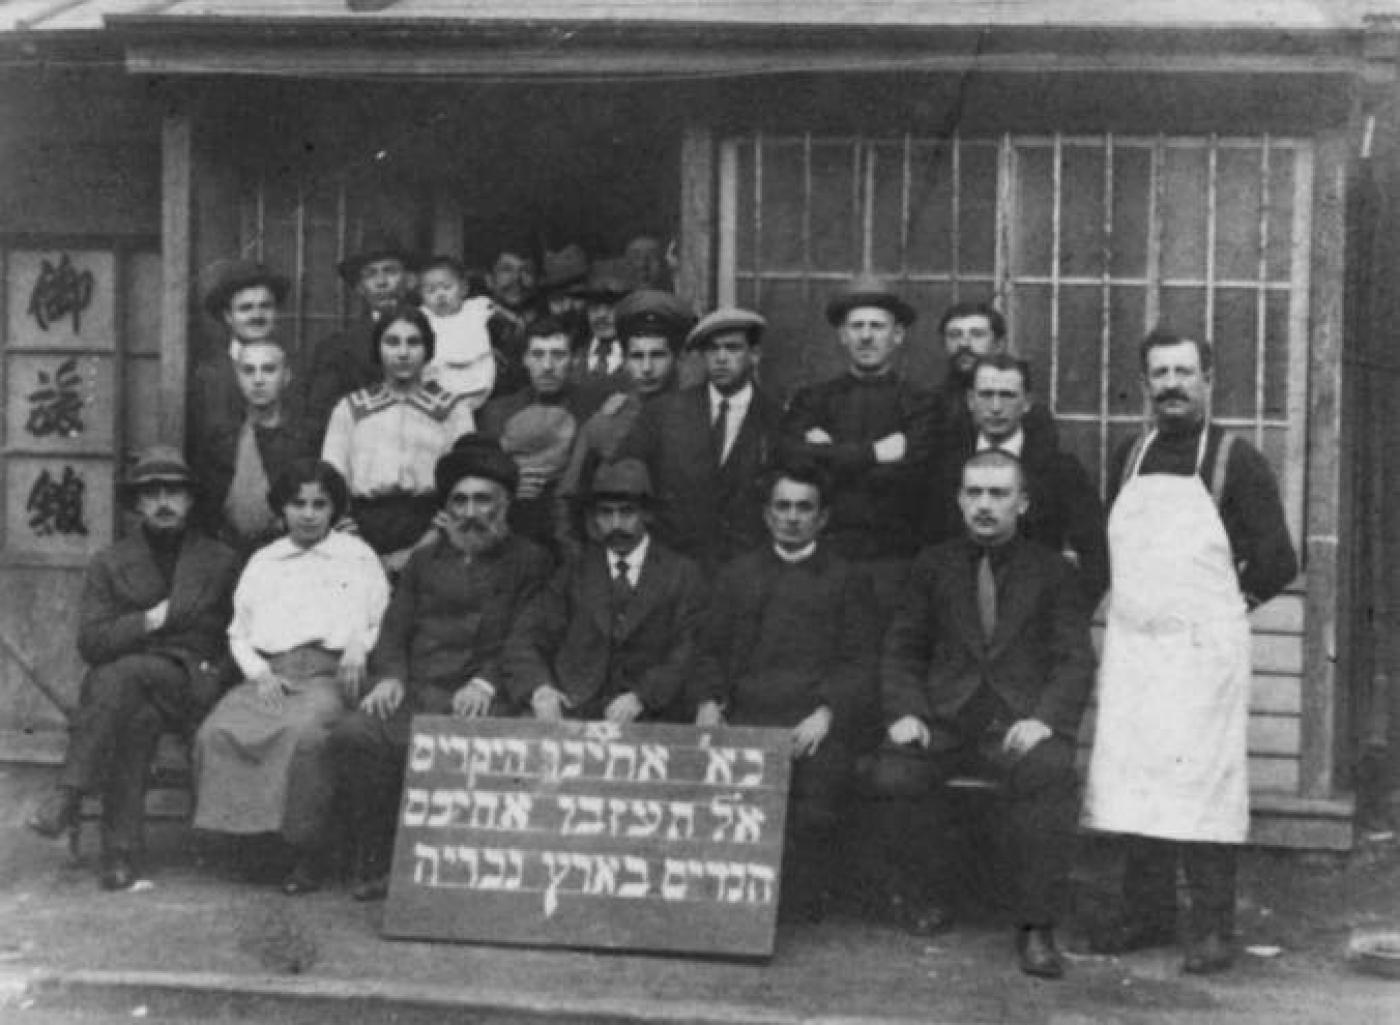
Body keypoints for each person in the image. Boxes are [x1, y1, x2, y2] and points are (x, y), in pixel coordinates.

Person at [1082, 327, 1298, 975]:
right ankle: (1146, 914)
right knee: (1139, 779)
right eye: (1159, 373)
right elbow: (1105, 550)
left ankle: (1210, 926)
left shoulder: (1237, 459)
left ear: (1208, 379)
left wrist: (1226, 611)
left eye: (1184, 372)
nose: (1171, 384)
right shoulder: (1130, 452)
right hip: (1135, 648)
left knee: (1202, 784)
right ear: (1145, 384)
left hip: (1203, 654)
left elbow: (1280, 560)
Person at [867, 449, 1095, 978]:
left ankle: (1036, 926)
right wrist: (906, 712)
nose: (985, 506)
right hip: (945, 719)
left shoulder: (1052, 571)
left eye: (998, 494)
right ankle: (924, 895)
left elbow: (1074, 658)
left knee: (1050, 773)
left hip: (1018, 722)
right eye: (975, 493)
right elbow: (901, 648)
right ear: (959, 500)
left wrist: (1044, 719)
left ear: (1023, 502)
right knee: (895, 770)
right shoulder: (933, 565)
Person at [328, 436, 553, 900]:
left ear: (505, 505)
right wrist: (390, 677)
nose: (471, 512)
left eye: (483, 500)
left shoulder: (531, 561)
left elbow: (526, 636)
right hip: (419, 691)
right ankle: (376, 860)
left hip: (487, 694)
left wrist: (486, 681)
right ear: (446, 508)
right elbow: (395, 628)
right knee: (356, 734)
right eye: (460, 501)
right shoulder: (425, 560)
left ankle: (466, 873)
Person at [25, 447, 239, 890]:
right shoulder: (109, 561)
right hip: (133, 693)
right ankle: (120, 856)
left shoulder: (220, 560)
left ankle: (69, 792)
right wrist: (148, 621)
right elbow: (92, 642)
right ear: (138, 504)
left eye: (174, 492)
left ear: (191, 500)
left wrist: (216, 676)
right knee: (134, 720)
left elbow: (243, 632)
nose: (164, 501)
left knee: (114, 677)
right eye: (152, 493)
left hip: (191, 683)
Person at [691, 465, 878, 921]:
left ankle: (793, 908)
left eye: (804, 508)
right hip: (745, 718)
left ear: (822, 518)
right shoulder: (737, 575)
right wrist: (709, 702)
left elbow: (861, 661)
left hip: (810, 725)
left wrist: (828, 713)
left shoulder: (847, 578)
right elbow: (708, 650)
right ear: (767, 514)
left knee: (814, 814)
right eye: (783, 506)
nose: (793, 517)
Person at [192, 460, 389, 894]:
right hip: (273, 673)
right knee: (217, 732)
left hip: (329, 673)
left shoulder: (356, 555)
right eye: (297, 503)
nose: (308, 513)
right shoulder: (264, 561)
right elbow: (238, 633)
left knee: (304, 738)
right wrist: (259, 673)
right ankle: (252, 844)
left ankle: (307, 852)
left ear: (334, 509)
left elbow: (382, 616)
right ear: (281, 509)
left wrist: (360, 645)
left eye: (320, 504)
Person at [781, 275, 938, 615]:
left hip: (895, 563)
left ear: (897, 336)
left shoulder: (921, 404)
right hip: (824, 557)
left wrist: (828, 454)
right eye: (856, 326)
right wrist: (876, 454)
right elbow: (795, 463)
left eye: (877, 327)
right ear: (842, 335)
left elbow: (913, 478)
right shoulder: (813, 399)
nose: (866, 336)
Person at [503, 458, 705, 724]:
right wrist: (541, 690)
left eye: (627, 512)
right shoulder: (575, 570)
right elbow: (526, 637)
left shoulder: (681, 574)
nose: (616, 524)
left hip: (651, 715)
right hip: (574, 709)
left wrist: (642, 696)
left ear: (647, 514)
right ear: (593, 517)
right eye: (606, 513)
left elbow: (688, 650)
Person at [926, 354, 1108, 609]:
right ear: (970, 400)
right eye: (986, 395)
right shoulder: (945, 467)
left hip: (1034, 620)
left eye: (1008, 395)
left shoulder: (1060, 470)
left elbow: (1096, 556)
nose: (996, 407)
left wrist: (1067, 613)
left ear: (1026, 403)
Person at [619, 307, 780, 570]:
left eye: (732, 348)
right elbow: (624, 482)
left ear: (754, 355)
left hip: (749, 574)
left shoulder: (777, 420)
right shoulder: (663, 413)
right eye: (712, 349)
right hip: (675, 571)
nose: (721, 358)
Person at [321, 303, 475, 568]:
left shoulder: (452, 410)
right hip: (362, 533)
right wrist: (362, 550)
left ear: (428, 349)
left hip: (430, 532)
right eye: (392, 342)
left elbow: (464, 485)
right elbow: (331, 481)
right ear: (377, 349)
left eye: (413, 342)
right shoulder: (351, 409)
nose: (403, 353)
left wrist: (421, 548)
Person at [557, 288, 693, 552]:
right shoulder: (606, 421)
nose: (647, 368)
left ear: (676, 358)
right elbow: (568, 499)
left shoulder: (699, 416)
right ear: (626, 360)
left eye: (657, 355)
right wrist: (580, 561)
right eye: (637, 356)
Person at [479, 317, 605, 556]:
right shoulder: (496, 414)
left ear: (574, 359)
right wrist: (508, 481)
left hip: (579, 538)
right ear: (525, 359)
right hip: (513, 538)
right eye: (537, 355)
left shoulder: (594, 409)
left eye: (558, 355)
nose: (547, 366)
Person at [197, 337, 317, 555]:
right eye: (249, 371)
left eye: (269, 370)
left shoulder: (307, 440)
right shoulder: (220, 441)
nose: (258, 380)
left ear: (286, 376)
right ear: (237, 378)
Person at [304, 231, 416, 442]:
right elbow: (320, 422)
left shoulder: (439, 334)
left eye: (390, 271)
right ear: (360, 288)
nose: (381, 282)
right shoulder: (336, 349)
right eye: (371, 274)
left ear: (409, 280)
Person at [190, 260, 290, 455]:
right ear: (228, 316)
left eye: (265, 306)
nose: (257, 315)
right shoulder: (207, 374)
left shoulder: (295, 368)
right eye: (246, 308)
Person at [931, 301, 1057, 446]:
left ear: (998, 344)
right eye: (955, 335)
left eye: (977, 334)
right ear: (944, 344)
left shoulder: (1030, 413)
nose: (964, 343)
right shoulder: (929, 407)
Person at [418, 255, 496, 410]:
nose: (440, 295)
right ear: (421, 295)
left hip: (477, 383)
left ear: (464, 288)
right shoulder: (423, 318)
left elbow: (505, 316)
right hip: (438, 392)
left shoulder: (475, 310)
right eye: (430, 291)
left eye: (447, 288)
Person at [570, 257, 637, 391]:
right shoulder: (572, 358)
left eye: (611, 306)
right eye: (594, 306)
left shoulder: (642, 358)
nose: (601, 315)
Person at [484, 241, 540, 399]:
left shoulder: (548, 324)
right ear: (489, 279)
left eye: (526, 271)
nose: (517, 278)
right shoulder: (472, 327)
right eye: (507, 270)